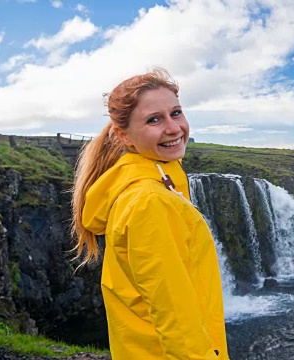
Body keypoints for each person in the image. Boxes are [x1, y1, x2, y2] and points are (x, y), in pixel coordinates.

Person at [71, 68, 228, 359]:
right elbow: (177, 319)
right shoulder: (148, 202)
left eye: (176, 113)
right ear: (123, 135)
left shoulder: (145, 186)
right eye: (154, 119)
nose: (173, 128)